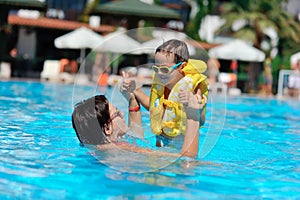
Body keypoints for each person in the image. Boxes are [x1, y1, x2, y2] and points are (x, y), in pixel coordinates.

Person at [120, 39, 208, 157]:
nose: (160, 73)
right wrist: (136, 90)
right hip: (160, 144)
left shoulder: (193, 88)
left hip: (179, 148)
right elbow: (154, 106)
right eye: (157, 68)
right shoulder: (161, 85)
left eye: (165, 69)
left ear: (182, 67)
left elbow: (201, 120)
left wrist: (194, 107)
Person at [71, 90, 203, 157]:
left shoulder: (101, 148)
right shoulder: (121, 148)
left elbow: (136, 137)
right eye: (117, 113)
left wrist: (133, 99)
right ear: (107, 128)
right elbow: (187, 160)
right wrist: (193, 114)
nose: (122, 114)